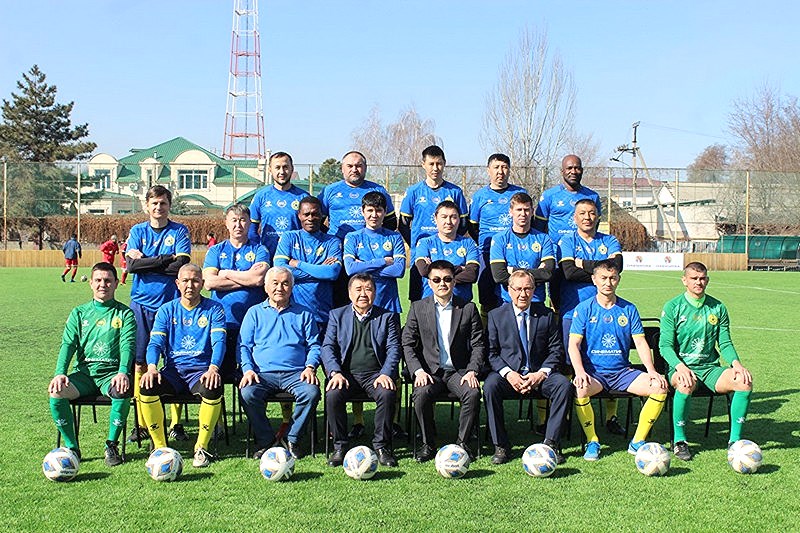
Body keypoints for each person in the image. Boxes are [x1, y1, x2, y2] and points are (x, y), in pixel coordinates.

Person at [568, 260, 668, 461]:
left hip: (622, 373)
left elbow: (640, 342)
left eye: (612, 278)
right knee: (580, 388)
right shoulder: (584, 308)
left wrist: (651, 370)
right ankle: (592, 440)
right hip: (594, 374)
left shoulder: (628, 309)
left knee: (659, 387)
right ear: (594, 280)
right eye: (603, 278)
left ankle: (637, 441)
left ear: (618, 280)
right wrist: (579, 372)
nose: (608, 283)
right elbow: (573, 345)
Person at [659, 262, 754, 461]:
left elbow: (725, 343)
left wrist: (736, 364)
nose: (698, 282)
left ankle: (735, 442)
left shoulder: (718, 307)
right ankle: (679, 441)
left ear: (707, 280)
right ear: (684, 280)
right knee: (685, 383)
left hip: (710, 369)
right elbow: (665, 346)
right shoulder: (672, 307)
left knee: (744, 381)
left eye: (702, 278)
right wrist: (680, 367)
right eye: (694, 278)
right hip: (680, 367)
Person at [138, 264, 227, 467]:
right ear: (177, 283)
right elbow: (155, 343)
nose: (190, 285)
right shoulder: (166, 310)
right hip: (173, 373)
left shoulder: (214, 309)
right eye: (185, 281)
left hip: (201, 372)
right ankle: (160, 448)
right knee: (147, 385)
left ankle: (201, 448)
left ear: (202, 284)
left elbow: (219, 342)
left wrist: (213, 368)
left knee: (213, 386)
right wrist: (152, 367)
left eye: (195, 281)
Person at [48, 262, 136, 466]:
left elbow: (128, 345)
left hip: (111, 376)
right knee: (56, 391)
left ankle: (111, 445)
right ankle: (72, 448)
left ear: (116, 283)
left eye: (108, 280)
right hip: (84, 376)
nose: (102, 284)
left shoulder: (125, 314)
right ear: (91, 283)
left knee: (122, 389)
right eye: (98, 280)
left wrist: (123, 372)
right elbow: (68, 344)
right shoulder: (79, 313)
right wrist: (60, 373)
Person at [484, 270, 572, 464]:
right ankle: (501, 445)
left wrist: (541, 374)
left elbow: (556, 350)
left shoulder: (546, 315)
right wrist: (509, 374)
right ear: (509, 290)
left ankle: (551, 444)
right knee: (490, 386)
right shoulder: (496, 316)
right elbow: (491, 353)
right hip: (509, 376)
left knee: (563, 385)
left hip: (539, 375)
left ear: (534, 290)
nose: (523, 294)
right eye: (518, 289)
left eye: (527, 289)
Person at [125, 185, 192, 443]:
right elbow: (132, 266)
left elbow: (181, 266)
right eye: (154, 203)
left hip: (171, 306)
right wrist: (165, 259)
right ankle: (142, 423)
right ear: (146, 206)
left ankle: (175, 423)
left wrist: (147, 262)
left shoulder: (180, 231)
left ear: (169, 205)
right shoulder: (137, 231)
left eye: (163, 203)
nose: (158, 207)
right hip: (141, 305)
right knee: (140, 362)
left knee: (175, 361)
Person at [402, 260, 485, 462]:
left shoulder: (468, 308)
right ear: (429, 283)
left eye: (447, 279)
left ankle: (462, 444)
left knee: (472, 393)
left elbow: (478, 345)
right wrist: (418, 371)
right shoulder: (418, 308)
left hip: (459, 371)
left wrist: (472, 370)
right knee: (421, 394)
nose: (442, 284)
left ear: (454, 281)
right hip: (430, 372)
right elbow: (407, 344)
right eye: (437, 280)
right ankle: (427, 444)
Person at [239, 266, 322, 459]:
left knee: (311, 392)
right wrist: (248, 370)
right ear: (265, 287)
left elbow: (314, 345)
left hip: (296, 373)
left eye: (285, 284)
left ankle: (292, 438)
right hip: (261, 374)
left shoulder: (304, 314)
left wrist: (310, 367)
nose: (279, 288)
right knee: (248, 393)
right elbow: (243, 346)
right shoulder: (254, 313)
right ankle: (266, 440)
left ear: (292, 287)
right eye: (275, 283)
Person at [558, 199, 626, 436]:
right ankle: (566, 415)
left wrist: (583, 264)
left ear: (598, 216)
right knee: (569, 364)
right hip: (572, 311)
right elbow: (568, 272)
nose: (587, 217)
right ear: (574, 217)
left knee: (611, 360)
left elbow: (617, 266)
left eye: (592, 213)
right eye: (582, 213)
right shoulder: (567, 241)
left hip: (607, 311)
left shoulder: (609, 240)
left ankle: (611, 417)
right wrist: (600, 272)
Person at [321, 273, 402, 467]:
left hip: (375, 375)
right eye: (358, 289)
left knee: (387, 393)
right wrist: (335, 372)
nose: (363, 294)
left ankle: (381, 446)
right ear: (349, 293)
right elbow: (327, 347)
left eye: (368, 289)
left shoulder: (387, 316)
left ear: (375, 292)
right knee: (333, 394)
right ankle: (340, 446)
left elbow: (394, 348)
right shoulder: (337, 315)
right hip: (346, 375)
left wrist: (386, 373)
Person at [319, 150, 396, 309]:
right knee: (341, 303)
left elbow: (390, 222)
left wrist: (373, 242)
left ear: (365, 168)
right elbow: (316, 221)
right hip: (339, 256)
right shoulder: (330, 191)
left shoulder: (378, 190)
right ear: (342, 168)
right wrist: (331, 243)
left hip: (369, 257)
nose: (354, 169)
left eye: (358, 166)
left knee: (369, 301)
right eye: (350, 166)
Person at [203, 204, 269, 383]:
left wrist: (225, 273)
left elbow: (258, 279)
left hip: (254, 324)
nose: (238, 225)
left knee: (251, 375)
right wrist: (246, 278)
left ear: (249, 223)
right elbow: (209, 283)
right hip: (223, 322)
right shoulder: (216, 250)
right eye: (234, 220)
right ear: (226, 223)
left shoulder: (260, 250)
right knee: (221, 375)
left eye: (242, 220)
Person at [399, 145, 469, 302]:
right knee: (418, 298)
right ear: (423, 164)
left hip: (449, 253)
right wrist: (416, 245)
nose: (435, 168)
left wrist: (451, 240)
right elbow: (403, 224)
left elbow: (463, 223)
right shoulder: (413, 191)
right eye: (431, 164)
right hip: (422, 256)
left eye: (439, 163)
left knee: (450, 294)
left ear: (444, 164)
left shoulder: (455, 192)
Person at [273, 196, 342, 334]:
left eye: (315, 214)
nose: (310, 218)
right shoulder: (289, 237)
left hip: (321, 314)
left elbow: (332, 273)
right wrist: (320, 270)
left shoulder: (332, 241)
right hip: (292, 314)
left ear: (322, 215)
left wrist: (298, 263)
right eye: (306, 214)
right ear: (299, 215)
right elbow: (280, 269)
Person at [468, 153, 527, 315]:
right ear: (489, 170)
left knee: (515, 294)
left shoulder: (519, 193)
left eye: (504, 167)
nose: (500, 171)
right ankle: (487, 328)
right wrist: (489, 243)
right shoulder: (480, 196)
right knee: (487, 297)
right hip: (487, 254)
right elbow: (472, 226)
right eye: (496, 167)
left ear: (509, 170)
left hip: (514, 253)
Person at [342, 191, 406, 314]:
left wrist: (362, 267)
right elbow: (350, 269)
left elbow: (399, 270)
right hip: (362, 305)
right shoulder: (352, 237)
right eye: (370, 210)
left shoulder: (395, 237)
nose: (374, 215)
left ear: (385, 211)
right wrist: (382, 261)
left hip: (389, 304)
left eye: (378, 210)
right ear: (362, 211)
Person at [489, 192, 555, 305]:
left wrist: (513, 271)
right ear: (510, 212)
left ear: (532, 212)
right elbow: (499, 276)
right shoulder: (499, 239)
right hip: (508, 301)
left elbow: (547, 274)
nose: (523, 214)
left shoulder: (544, 239)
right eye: (519, 210)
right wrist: (536, 273)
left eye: (526, 210)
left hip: (536, 301)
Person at [413, 200, 479, 302]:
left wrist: (435, 271)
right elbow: (423, 270)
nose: (448, 221)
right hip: (431, 303)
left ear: (459, 219)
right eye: (444, 217)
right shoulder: (425, 243)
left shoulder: (469, 243)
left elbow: (472, 274)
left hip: (462, 304)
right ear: (435, 219)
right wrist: (460, 268)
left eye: (453, 217)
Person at [248, 151, 309, 260]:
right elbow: (251, 230)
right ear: (270, 170)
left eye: (285, 167)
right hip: (268, 258)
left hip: (294, 258)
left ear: (292, 169)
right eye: (277, 167)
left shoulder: (303, 197)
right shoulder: (261, 196)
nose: (282, 172)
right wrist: (259, 252)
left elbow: (311, 230)